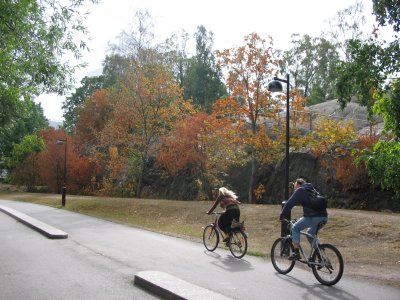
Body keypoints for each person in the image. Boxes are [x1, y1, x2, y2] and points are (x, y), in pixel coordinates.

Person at [279, 178, 328, 260]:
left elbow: (289, 204)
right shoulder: (312, 189)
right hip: (324, 217)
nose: (294, 189)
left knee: (295, 228)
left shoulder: (300, 190)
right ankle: (320, 257)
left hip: (313, 217)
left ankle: (296, 253)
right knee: (310, 234)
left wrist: (281, 216)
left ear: (298, 185)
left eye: (295, 187)